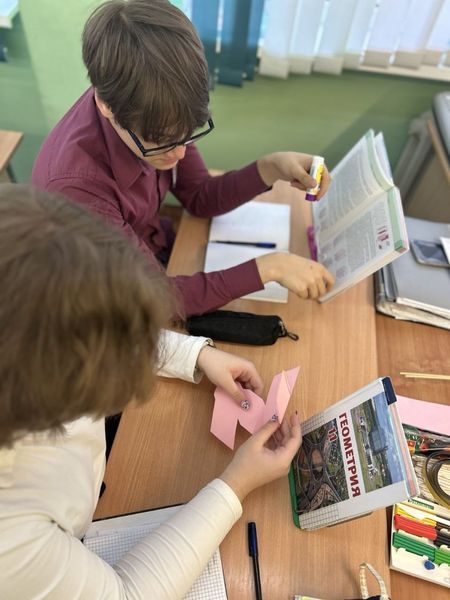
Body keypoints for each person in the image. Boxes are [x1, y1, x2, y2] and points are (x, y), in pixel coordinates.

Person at [0, 184, 302, 599]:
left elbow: (97, 329)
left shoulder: (28, 330)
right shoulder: (11, 536)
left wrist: (198, 354)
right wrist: (235, 484)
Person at [32, 0, 335, 318]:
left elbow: (199, 197)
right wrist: (268, 268)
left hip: (151, 253)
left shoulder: (158, 104)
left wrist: (271, 167)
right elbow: (155, 298)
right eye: (161, 141)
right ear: (106, 105)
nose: (179, 153)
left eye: (188, 134)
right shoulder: (78, 189)